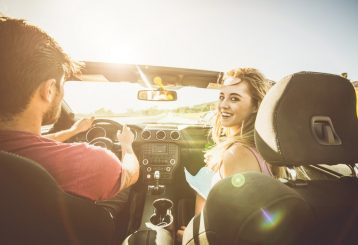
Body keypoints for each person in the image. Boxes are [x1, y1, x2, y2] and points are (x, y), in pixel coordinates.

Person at [0, 17, 139, 217]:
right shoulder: (91, 162)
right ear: (49, 90)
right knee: (122, 194)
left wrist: (75, 131)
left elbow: (29, 144)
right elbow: (132, 173)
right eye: (62, 84)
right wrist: (126, 145)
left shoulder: (11, 152)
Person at [177, 68, 279, 241]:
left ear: (255, 106)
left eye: (234, 98)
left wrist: (193, 238)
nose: (223, 105)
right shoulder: (262, 148)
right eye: (221, 96)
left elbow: (235, 232)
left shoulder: (237, 153)